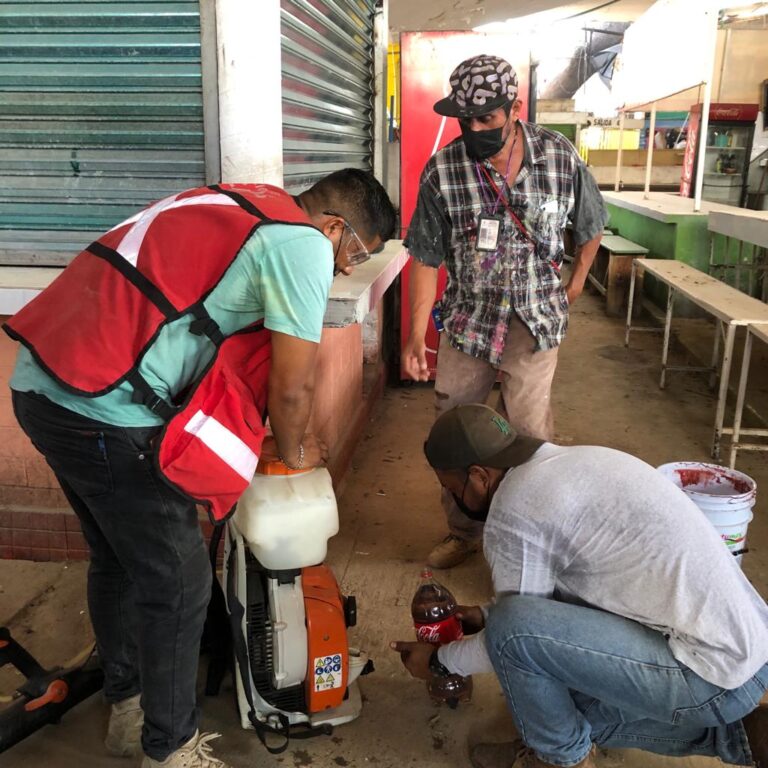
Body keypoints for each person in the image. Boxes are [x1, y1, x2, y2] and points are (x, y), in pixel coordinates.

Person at [5, 169, 396, 768]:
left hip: (41, 386)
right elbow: (294, 390)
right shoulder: (301, 244)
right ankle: (170, 749)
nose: (346, 269)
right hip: (104, 412)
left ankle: (128, 710)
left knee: (117, 557)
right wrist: (294, 453)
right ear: (336, 227)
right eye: (356, 254)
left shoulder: (245, 199)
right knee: (179, 583)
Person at [392, 403, 768, 768]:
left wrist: (441, 663)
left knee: (532, 669)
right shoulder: (569, 464)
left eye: (450, 487)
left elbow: (512, 638)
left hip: (711, 674)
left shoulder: (513, 510)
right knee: (564, 706)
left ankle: (558, 759)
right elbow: (558, 601)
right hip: (751, 653)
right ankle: (739, 736)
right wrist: (483, 615)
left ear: (478, 476)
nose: (453, 500)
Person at [401, 54, 608, 570]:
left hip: (535, 323)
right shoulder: (443, 170)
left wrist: (575, 285)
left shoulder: (559, 156)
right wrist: (413, 334)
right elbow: (426, 256)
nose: (475, 129)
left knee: (530, 434)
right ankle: (463, 531)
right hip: (469, 322)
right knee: (451, 431)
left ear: (514, 108)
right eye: (465, 120)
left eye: (487, 118)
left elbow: (591, 223)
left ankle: (532, 540)